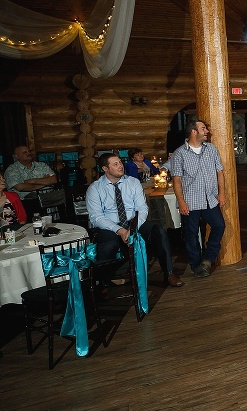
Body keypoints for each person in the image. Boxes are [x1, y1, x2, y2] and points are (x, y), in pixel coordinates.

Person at [86, 153, 184, 288]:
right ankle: (103, 282)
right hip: (110, 226)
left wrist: (132, 229)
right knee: (107, 245)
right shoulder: (95, 188)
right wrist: (120, 231)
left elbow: (142, 209)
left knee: (159, 231)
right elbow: (96, 217)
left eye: (120, 162)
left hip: (133, 222)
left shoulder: (133, 182)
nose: (120, 166)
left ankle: (169, 273)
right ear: (105, 169)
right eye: (115, 164)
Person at [170, 119, 226, 278]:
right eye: (203, 128)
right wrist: (181, 201)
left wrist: (221, 193)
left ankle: (207, 259)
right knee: (191, 234)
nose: (207, 131)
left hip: (210, 199)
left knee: (219, 226)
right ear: (194, 132)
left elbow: (219, 172)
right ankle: (195, 265)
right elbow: (177, 180)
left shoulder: (211, 149)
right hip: (190, 200)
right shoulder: (179, 153)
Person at [4, 145, 58, 216]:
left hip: (47, 199)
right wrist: (45, 183)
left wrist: (32, 181)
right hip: (25, 203)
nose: (29, 153)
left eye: (29, 151)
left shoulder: (42, 165)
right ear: (17, 156)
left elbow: (54, 180)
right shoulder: (11, 170)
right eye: (24, 152)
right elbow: (20, 187)